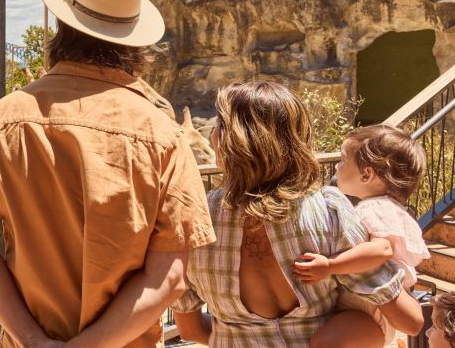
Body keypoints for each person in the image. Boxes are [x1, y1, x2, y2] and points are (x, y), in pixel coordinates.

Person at [0, 0, 215, 348]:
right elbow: (170, 278)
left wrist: (33, 340)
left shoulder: (4, 119)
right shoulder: (162, 134)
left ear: (62, 24)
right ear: (133, 40)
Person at [172, 82, 425, 347]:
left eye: (219, 127)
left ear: (226, 139)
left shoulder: (194, 218)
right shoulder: (328, 209)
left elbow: (190, 330)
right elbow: (409, 321)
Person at [294, 125, 430, 347]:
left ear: (367, 174)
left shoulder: (376, 207)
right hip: (366, 307)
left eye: (343, 160)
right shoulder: (384, 207)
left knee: (324, 342)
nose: (337, 167)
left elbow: (382, 250)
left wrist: (330, 265)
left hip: (370, 312)